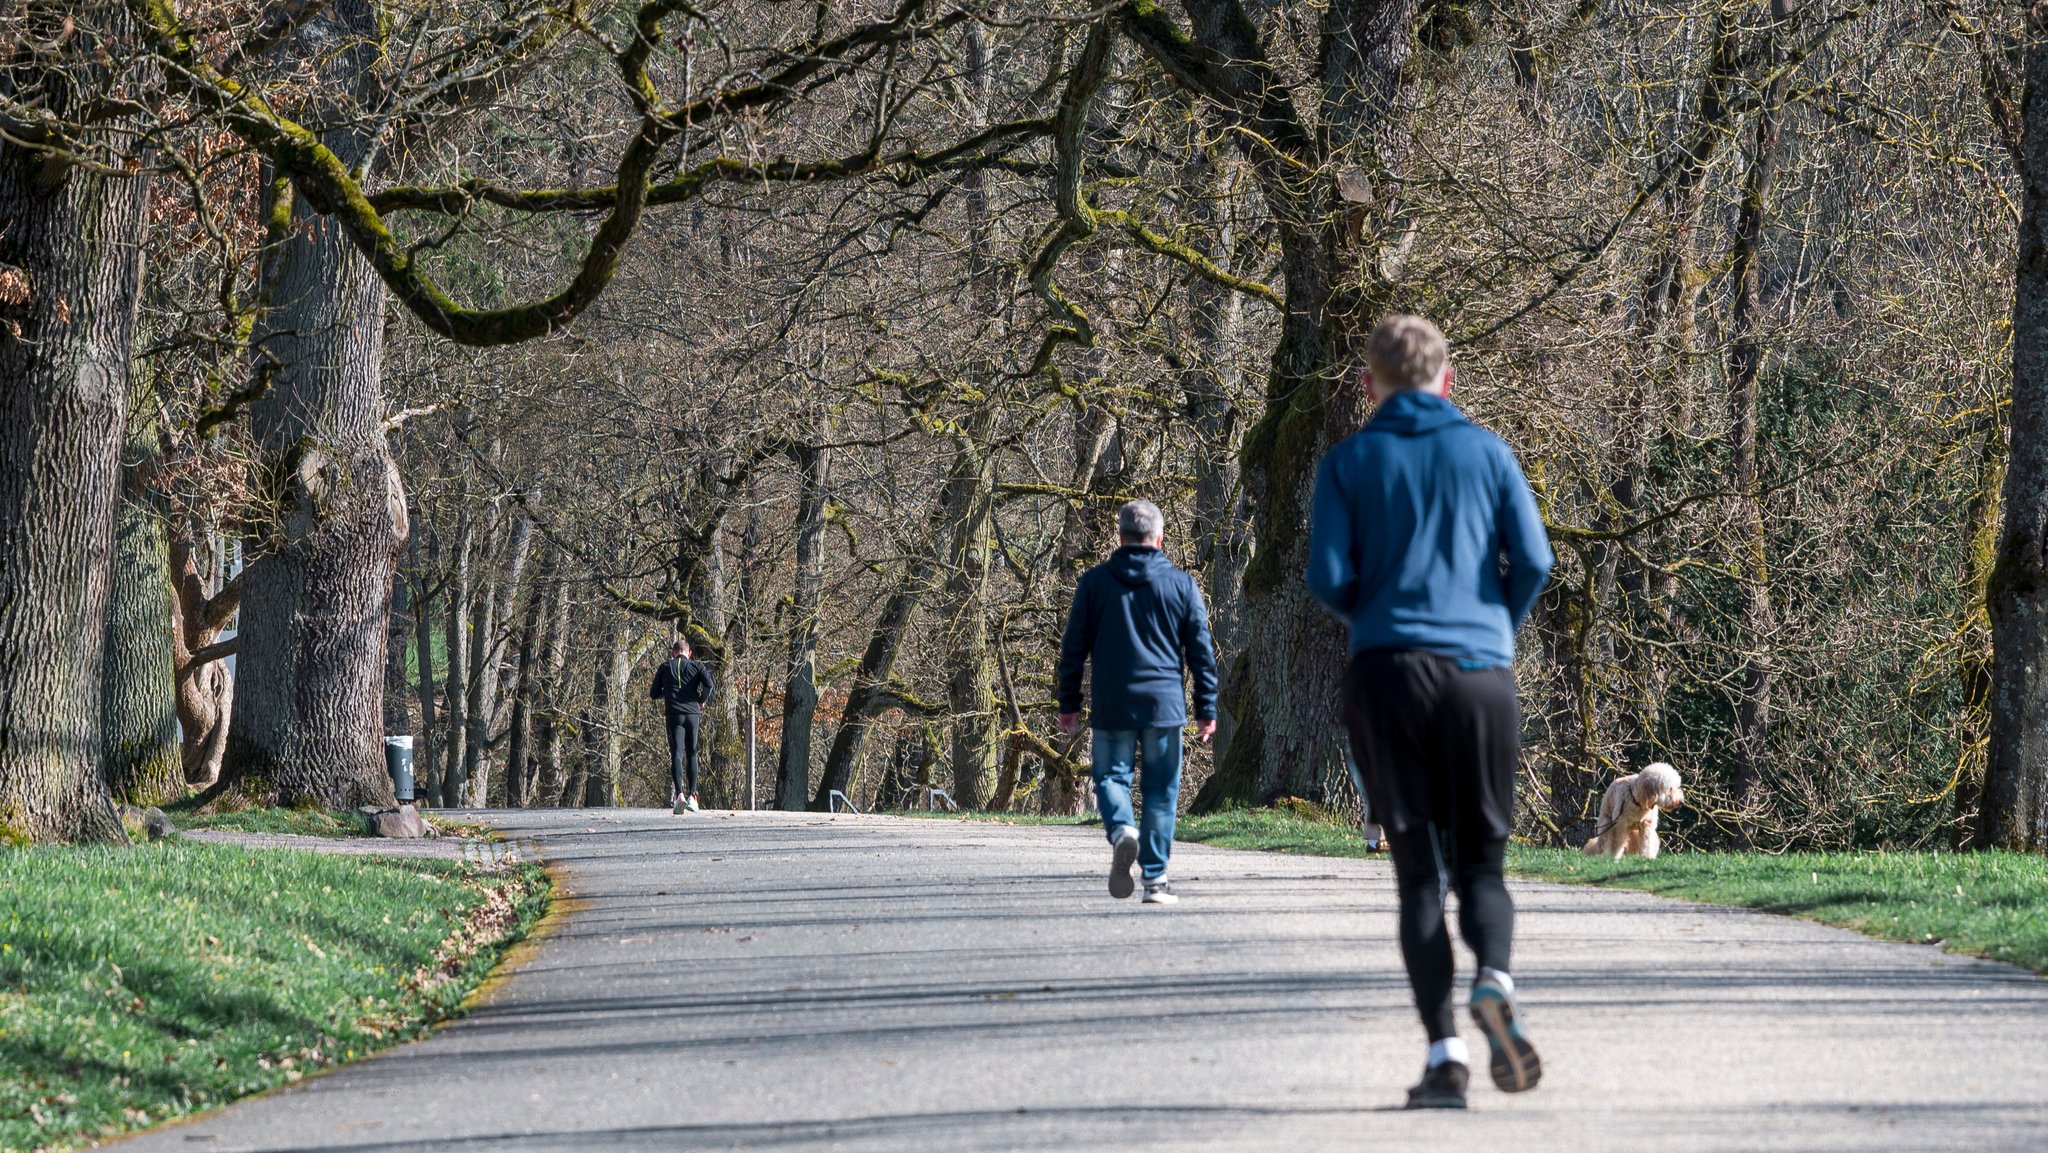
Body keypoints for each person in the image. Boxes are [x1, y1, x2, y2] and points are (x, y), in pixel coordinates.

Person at [1306, 314, 1554, 1110]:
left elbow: (1325, 577)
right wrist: (1492, 630)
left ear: (1370, 384)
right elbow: (1537, 559)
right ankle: (1495, 978)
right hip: (1481, 672)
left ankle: (1445, 1059)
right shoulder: (1489, 452)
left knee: (1418, 876)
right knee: (1482, 862)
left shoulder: (1348, 460)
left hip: (1387, 673)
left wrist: (1378, 621)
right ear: (1447, 379)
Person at [1057, 499, 1218, 906]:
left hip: (1113, 703)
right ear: (1159, 538)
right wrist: (1206, 708)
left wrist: (1069, 702)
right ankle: (1155, 882)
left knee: (1111, 777)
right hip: (1164, 705)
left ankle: (1122, 830)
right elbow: (1201, 651)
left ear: (1120, 536)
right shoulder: (1182, 585)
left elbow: (1073, 648)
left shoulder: (1094, 584)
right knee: (1161, 792)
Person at [650, 638, 715, 813]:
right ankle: (693, 796)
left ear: (673, 653)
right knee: (692, 753)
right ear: (689, 653)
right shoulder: (697, 666)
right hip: (693, 713)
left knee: (677, 754)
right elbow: (709, 685)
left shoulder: (665, 667)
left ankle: (679, 795)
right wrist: (701, 700)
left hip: (674, 714)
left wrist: (669, 692)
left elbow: (653, 693)